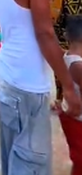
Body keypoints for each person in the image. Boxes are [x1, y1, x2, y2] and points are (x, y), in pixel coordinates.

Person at [0, 0, 81, 175]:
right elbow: (44, 33)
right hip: (27, 84)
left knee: (12, 158)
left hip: (6, 77)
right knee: (32, 163)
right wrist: (69, 87)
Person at [44, 0, 82, 103]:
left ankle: (59, 101)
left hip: (52, 39)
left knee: (59, 73)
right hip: (71, 41)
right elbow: (76, 19)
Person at [58, 15, 82, 175]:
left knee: (78, 159)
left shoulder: (66, 56)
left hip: (70, 116)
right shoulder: (77, 66)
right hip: (78, 120)